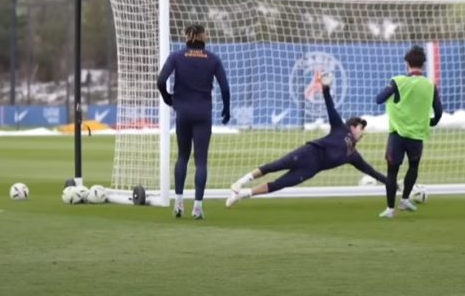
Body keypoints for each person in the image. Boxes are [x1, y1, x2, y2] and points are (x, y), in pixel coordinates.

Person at [226, 72, 386, 207]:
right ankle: (240, 183)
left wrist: (392, 183)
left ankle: (243, 195)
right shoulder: (340, 128)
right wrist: (325, 87)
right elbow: (330, 105)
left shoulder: (353, 155)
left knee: (280, 184)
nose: (363, 131)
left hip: (311, 170)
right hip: (308, 153)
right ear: (352, 126)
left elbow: (371, 172)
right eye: (361, 127)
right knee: (274, 166)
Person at [157, 24, 230, 220]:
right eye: (206, 33)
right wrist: (227, 109)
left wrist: (168, 98)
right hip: (203, 113)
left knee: (182, 156)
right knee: (201, 161)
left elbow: (161, 80)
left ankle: (179, 203)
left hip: (183, 112)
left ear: (187, 36)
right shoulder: (213, 59)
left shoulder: (176, 57)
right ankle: (197, 206)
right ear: (202, 37)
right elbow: (224, 87)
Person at [375, 46, 443, 218]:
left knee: (392, 171)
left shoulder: (398, 81)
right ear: (424, 64)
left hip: (397, 134)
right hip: (417, 136)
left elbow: (379, 99)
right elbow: (439, 112)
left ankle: (390, 209)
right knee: (413, 167)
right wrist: (429, 122)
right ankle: (405, 199)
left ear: (407, 63)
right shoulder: (430, 85)